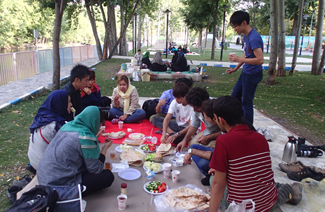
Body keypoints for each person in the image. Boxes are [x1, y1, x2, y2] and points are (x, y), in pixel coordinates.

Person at [208, 96, 302, 212]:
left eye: (215, 118)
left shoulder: (223, 141)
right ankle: (287, 191)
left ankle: (287, 190)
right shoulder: (260, 137)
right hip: (267, 203)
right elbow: (257, 168)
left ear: (221, 120)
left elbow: (218, 184)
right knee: (266, 184)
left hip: (243, 208)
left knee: (213, 180)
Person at [37, 106, 114, 197]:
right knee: (107, 176)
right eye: (100, 124)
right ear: (95, 122)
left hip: (43, 178)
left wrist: (93, 138)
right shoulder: (85, 137)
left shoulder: (68, 126)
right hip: (57, 186)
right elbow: (96, 169)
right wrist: (104, 148)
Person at [183, 99, 256, 186]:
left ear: (219, 120)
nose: (206, 120)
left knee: (202, 162)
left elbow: (218, 158)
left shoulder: (228, 138)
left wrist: (192, 152)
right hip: (237, 165)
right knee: (194, 147)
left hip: (240, 176)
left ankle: (210, 175)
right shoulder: (233, 126)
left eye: (207, 118)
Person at [226, 11, 264, 124]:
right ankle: (238, 123)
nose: (234, 29)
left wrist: (239, 59)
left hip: (253, 75)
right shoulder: (247, 36)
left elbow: (260, 60)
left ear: (244, 23)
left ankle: (247, 130)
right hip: (246, 73)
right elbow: (247, 54)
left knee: (246, 103)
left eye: (236, 26)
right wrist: (236, 67)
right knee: (234, 98)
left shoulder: (254, 38)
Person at [27, 90, 72, 173]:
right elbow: (72, 147)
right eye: (68, 102)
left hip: (34, 161)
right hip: (46, 169)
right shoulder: (57, 124)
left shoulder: (42, 115)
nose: (71, 104)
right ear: (61, 103)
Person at [176, 87, 220, 153]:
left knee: (203, 150)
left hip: (221, 134)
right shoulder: (196, 109)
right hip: (210, 131)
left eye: (196, 108)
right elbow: (194, 126)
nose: (194, 110)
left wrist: (210, 137)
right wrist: (184, 140)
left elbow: (226, 131)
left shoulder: (215, 108)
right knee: (192, 145)